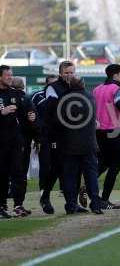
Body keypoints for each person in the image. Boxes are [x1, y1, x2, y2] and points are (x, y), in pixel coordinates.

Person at [44, 60, 87, 210]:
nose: (69, 75)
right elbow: (52, 109)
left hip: (73, 134)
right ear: (60, 73)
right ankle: (45, 196)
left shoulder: (76, 87)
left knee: (74, 168)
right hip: (57, 133)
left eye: (71, 72)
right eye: (66, 73)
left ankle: (72, 202)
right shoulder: (52, 88)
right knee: (57, 167)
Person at [57, 77, 103, 214]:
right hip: (89, 143)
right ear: (83, 84)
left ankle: (71, 205)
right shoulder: (90, 97)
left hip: (69, 145)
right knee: (91, 176)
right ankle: (95, 204)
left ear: (70, 85)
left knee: (70, 177)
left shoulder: (64, 99)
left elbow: (60, 122)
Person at [93, 64, 120, 209]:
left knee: (103, 163)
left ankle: (86, 185)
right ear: (115, 75)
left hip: (99, 132)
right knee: (115, 166)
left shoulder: (97, 89)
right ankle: (104, 200)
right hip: (113, 132)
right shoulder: (116, 89)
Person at [0, 65, 36, 218]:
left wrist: (32, 116)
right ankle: (1, 206)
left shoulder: (17, 94)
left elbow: (30, 110)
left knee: (19, 173)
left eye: (11, 75)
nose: (10, 77)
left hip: (16, 142)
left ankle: (18, 205)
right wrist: (1, 112)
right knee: (1, 174)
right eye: (7, 75)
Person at [31, 74, 58, 214]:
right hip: (43, 137)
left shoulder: (62, 95)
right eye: (52, 84)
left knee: (58, 165)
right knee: (45, 164)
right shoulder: (37, 96)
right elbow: (32, 116)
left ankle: (67, 194)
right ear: (47, 85)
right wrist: (36, 135)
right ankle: (43, 192)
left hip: (58, 137)